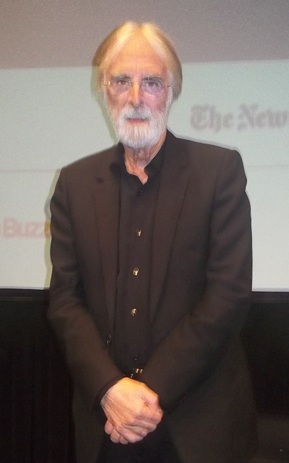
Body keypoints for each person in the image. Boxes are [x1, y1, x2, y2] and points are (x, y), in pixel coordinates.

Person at [48, 21, 257, 463]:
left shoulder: (219, 172)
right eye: (121, 81)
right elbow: (66, 302)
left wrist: (142, 397)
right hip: (105, 429)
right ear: (105, 91)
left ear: (172, 91)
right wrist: (109, 390)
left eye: (152, 83)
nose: (136, 97)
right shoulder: (73, 184)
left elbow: (228, 296)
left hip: (200, 430)